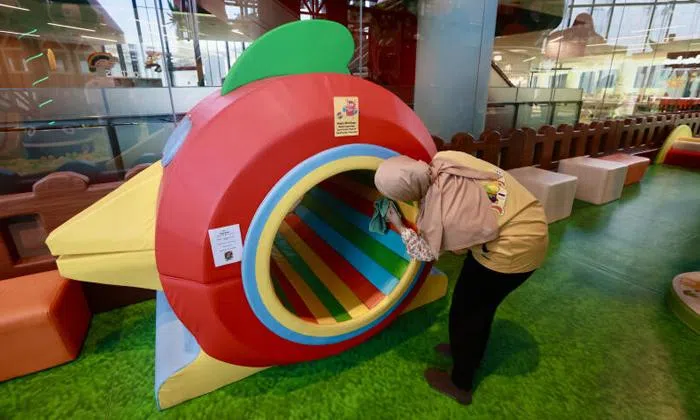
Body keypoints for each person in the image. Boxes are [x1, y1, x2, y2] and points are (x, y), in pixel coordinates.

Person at [374, 151, 548, 405]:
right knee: (476, 305)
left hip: (513, 250)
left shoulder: (442, 212)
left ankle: (460, 383)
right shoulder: (445, 157)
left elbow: (425, 252)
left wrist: (399, 225)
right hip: (528, 218)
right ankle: (464, 350)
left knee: (469, 313)